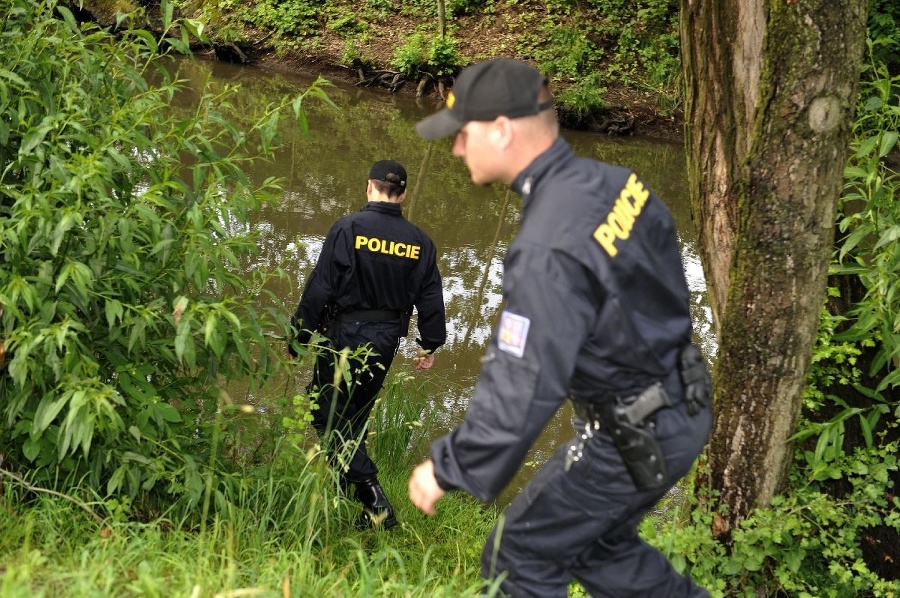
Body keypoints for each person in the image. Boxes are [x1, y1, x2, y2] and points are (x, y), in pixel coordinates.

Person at [408, 58, 712, 596]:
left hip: (633, 431)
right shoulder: (619, 185)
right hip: (682, 401)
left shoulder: (547, 246)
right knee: (598, 549)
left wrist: (450, 466)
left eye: (463, 134)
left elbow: (524, 381)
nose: (455, 149)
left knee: (516, 557)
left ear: (501, 131)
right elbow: (664, 290)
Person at [290, 159, 446, 530]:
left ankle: (374, 498)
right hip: (386, 340)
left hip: (344, 336)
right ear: (403, 194)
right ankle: (352, 494)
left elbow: (321, 286)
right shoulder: (421, 242)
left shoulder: (348, 228)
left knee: (324, 411)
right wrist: (430, 344)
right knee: (354, 416)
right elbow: (431, 296)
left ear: (368, 186)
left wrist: (300, 334)